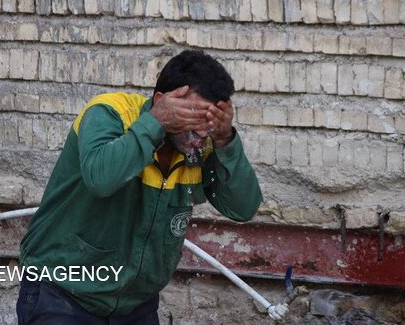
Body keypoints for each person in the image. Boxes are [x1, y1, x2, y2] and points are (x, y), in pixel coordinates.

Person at [17, 49, 263, 324]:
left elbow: (242, 207)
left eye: (210, 122)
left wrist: (225, 139)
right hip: (62, 295)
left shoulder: (202, 145)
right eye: (193, 117)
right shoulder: (110, 113)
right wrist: (156, 123)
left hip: (135, 305)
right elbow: (101, 179)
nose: (202, 133)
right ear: (162, 101)